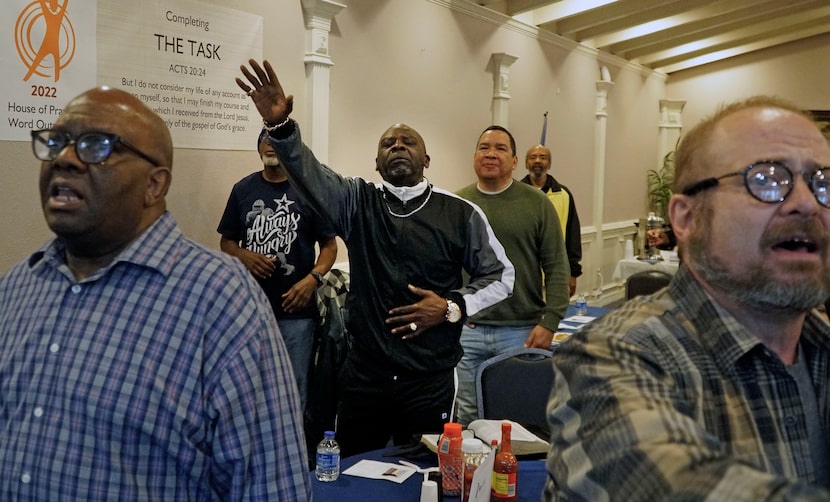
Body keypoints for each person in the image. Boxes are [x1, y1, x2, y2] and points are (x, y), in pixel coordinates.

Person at [0, 87, 311, 500]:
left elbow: (271, 488)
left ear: (154, 184)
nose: (64, 159)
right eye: (56, 142)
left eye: (95, 146)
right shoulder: (18, 288)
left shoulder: (219, 302)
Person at [545, 95, 830, 500]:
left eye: (824, 184)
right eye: (766, 179)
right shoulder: (612, 356)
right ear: (686, 217)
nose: (806, 203)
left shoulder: (821, 347)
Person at [235, 59, 515, 458]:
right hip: (366, 376)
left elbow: (502, 276)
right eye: (388, 144)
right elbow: (312, 174)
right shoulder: (356, 202)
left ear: (426, 160)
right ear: (377, 163)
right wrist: (281, 129)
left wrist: (452, 307)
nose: (398, 146)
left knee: (427, 476)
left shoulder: (459, 213)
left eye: (408, 142)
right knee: (353, 472)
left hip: (429, 378)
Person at [455, 126, 570, 427]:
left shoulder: (537, 204)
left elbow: (557, 265)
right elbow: (445, 267)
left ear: (515, 161)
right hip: (468, 330)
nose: (491, 153)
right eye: (484, 147)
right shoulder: (456, 204)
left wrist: (550, 321)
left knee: (515, 419)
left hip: (520, 332)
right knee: (467, 414)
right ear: (475, 156)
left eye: (500, 148)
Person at [218, 128, 337, 412]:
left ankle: (294, 454)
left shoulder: (308, 193)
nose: (269, 145)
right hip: (250, 311)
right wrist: (243, 255)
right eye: (264, 140)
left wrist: (313, 279)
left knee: (294, 393)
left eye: (275, 141)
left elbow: (330, 247)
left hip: (296, 314)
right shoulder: (243, 189)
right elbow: (227, 241)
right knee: (248, 389)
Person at [521, 144, 583, 296]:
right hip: (522, 276)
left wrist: (573, 273)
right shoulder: (515, 194)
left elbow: (572, 235)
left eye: (543, 157)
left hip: (555, 274)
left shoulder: (563, 194)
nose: (537, 161)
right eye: (532, 157)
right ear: (525, 163)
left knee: (554, 318)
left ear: (549, 164)